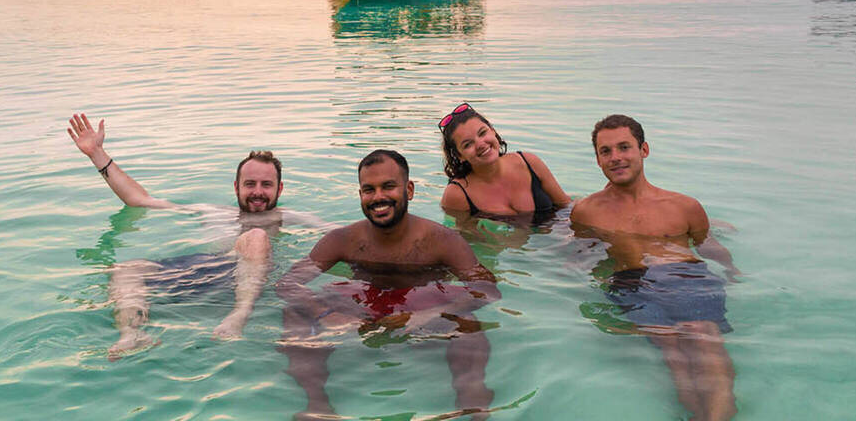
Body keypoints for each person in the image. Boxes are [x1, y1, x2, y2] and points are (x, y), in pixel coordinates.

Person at [277, 150, 499, 420]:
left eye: (388, 186)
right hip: (361, 311)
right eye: (368, 189)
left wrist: (431, 313)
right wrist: (327, 313)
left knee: (468, 323)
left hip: (422, 309)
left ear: (409, 189)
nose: (378, 197)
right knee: (295, 313)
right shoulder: (343, 239)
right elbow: (287, 283)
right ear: (360, 195)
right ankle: (318, 405)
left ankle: (472, 400)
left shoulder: (442, 241)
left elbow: (487, 289)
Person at [66, 113, 298, 358]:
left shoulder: (292, 219)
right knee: (127, 268)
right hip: (204, 272)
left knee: (256, 236)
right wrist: (96, 154)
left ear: (279, 188)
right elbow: (140, 200)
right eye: (250, 184)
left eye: (266, 185)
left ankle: (238, 316)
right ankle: (132, 335)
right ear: (236, 187)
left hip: (252, 277)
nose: (257, 192)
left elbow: (338, 238)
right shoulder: (212, 212)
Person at [571, 114, 741, 421]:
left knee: (703, 334)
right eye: (605, 151)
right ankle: (699, 414)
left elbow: (707, 245)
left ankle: (718, 414)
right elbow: (581, 255)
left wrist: (732, 271)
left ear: (644, 150)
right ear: (597, 160)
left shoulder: (683, 206)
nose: (616, 158)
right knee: (670, 344)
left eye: (624, 147)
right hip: (628, 282)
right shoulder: (586, 212)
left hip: (685, 275)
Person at [438, 103, 571, 219]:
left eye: (482, 133)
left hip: (560, 235)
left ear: (493, 131)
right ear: (459, 155)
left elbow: (566, 206)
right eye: (468, 144)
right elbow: (467, 242)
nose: (480, 144)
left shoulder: (529, 162)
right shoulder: (456, 195)